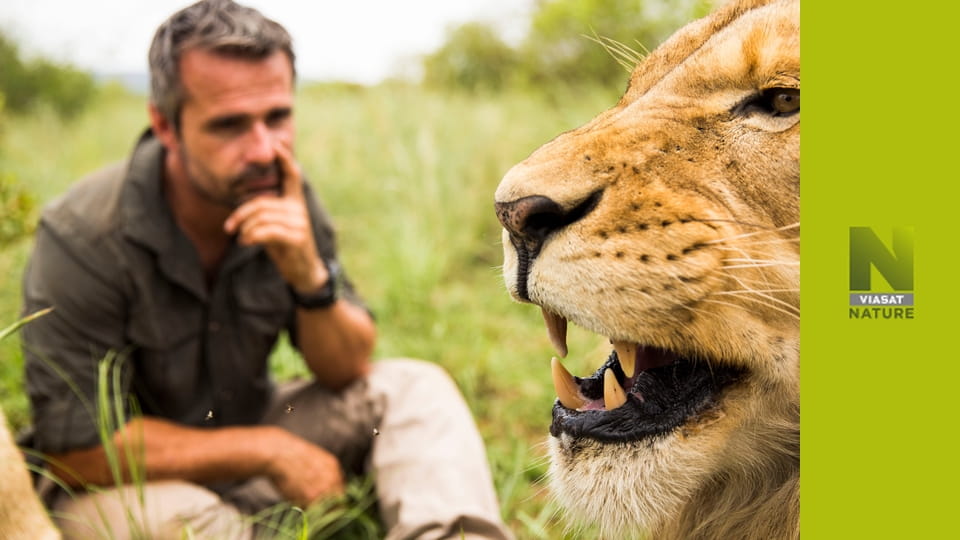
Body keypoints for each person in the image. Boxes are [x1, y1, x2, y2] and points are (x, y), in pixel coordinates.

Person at [19, 1, 512, 538]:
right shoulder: (83, 236)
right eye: (229, 125)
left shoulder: (283, 192)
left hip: (253, 428)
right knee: (190, 526)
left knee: (416, 389)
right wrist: (268, 452)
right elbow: (77, 453)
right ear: (164, 124)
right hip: (124, 485)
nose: (263, 149)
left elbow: (346, 370)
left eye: (277, 117)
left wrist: (310, 279)